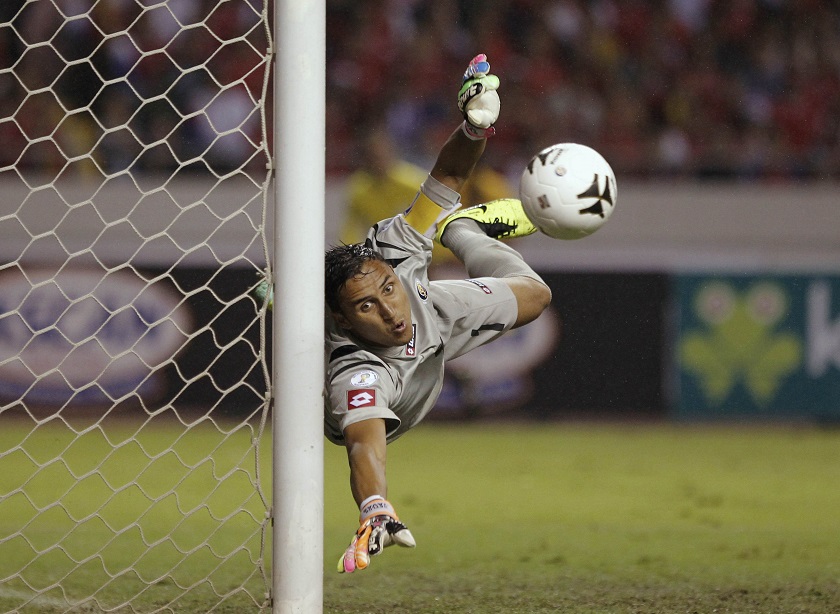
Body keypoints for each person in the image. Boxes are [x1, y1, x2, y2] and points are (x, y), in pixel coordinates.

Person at [323, 54, 553, 573]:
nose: (388, 311)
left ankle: (461, 232)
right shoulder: (355, 370)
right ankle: (461, 233)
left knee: (535, 294)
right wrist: (374, 505)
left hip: (436, 310)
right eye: (367, 307)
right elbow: (363, 444)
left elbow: (447, 173)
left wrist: (475, 127)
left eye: (386, 290)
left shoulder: (396, 251)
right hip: (396, 379)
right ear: (344, 320)